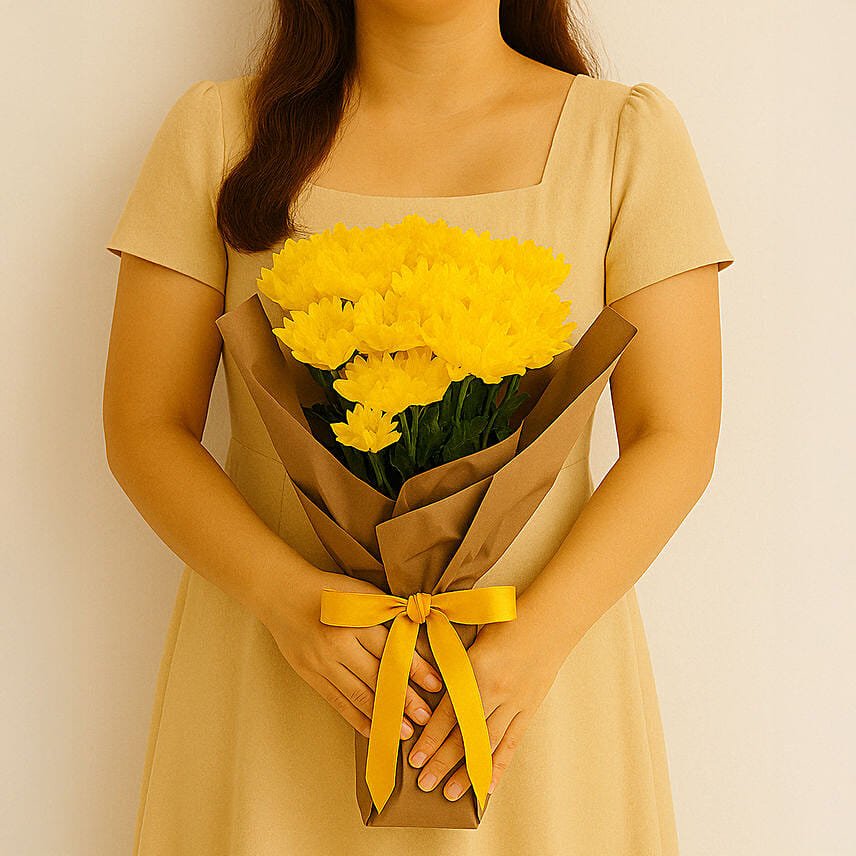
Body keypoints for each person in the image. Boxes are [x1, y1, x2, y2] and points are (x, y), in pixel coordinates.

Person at [102, 2, 734, 853]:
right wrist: (293, 605)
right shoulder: (218, 132)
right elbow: (146, 425)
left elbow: (675, 434)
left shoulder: (623, 137)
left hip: (533, 691)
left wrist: (534, 646)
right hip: (282, 673)